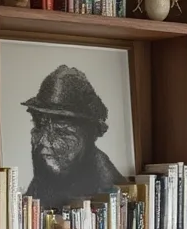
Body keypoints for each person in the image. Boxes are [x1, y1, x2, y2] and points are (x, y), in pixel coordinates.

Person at [22, 65, 125, 211]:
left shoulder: (109, 188)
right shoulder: (45, 180)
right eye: (39, 126)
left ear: (89, 135)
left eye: (62, 132)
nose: (43, 141)